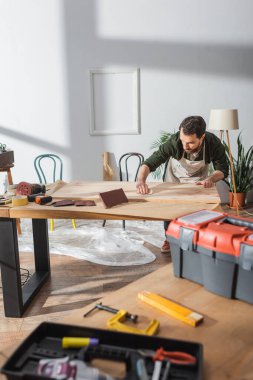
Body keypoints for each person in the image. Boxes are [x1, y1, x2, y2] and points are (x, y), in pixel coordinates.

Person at [136, 115, 229, 253]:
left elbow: (223, 170)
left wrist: (211, 178)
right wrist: (140, 181)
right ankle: (169, 237)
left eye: (191, 142)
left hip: (200, 180)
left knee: (197, 210)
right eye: (182, 140)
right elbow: (149, 163)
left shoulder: (213, 143)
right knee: (170, 208)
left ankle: (194, 237)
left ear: (202, 137)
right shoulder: (174, 142)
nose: (185, 146)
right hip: (174, 177)